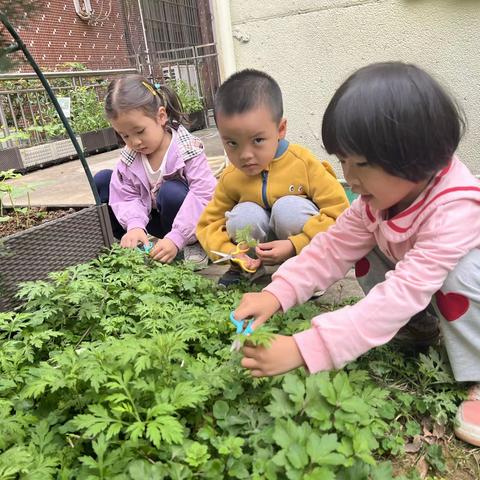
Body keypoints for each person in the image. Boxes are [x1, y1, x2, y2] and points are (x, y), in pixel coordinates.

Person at [233, 62, 480, 447]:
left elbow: (403, 291)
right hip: (425, 285)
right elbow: (331, 248)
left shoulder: (455, 209)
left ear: (416, 159)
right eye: (343, 161)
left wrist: (305, 348)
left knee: (461, 274)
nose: (350, 177)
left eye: (361, 164)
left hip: (464, 290)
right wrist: (276, 293)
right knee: (366, 247)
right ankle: (416, 329)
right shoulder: (376, 200)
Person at [196, 69, 349, 286]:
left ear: (280, 129)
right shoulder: (231, 176)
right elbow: (208, 224)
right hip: (256, 250)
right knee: (243, 216)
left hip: (300, 245)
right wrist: (232, 252)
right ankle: (248, 270)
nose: (245, 155)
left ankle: (305, 271)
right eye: (232, 143)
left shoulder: (303, 163)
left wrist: (297, 243)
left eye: (257, 140)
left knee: (290, 209)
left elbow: (339, 212)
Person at [94, 74, 216, 266]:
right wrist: (135, 225)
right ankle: (132, 241)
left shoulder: (187, 150)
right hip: (152, 220)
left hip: (186, 223)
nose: (134, 142)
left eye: (140, 131)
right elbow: (125, 196)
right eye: (124, 135)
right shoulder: (130, 158)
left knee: (171, 191)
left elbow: (204, 195)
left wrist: (177, 237)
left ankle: (192, 244)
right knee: (103, 180)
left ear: (161, 116)